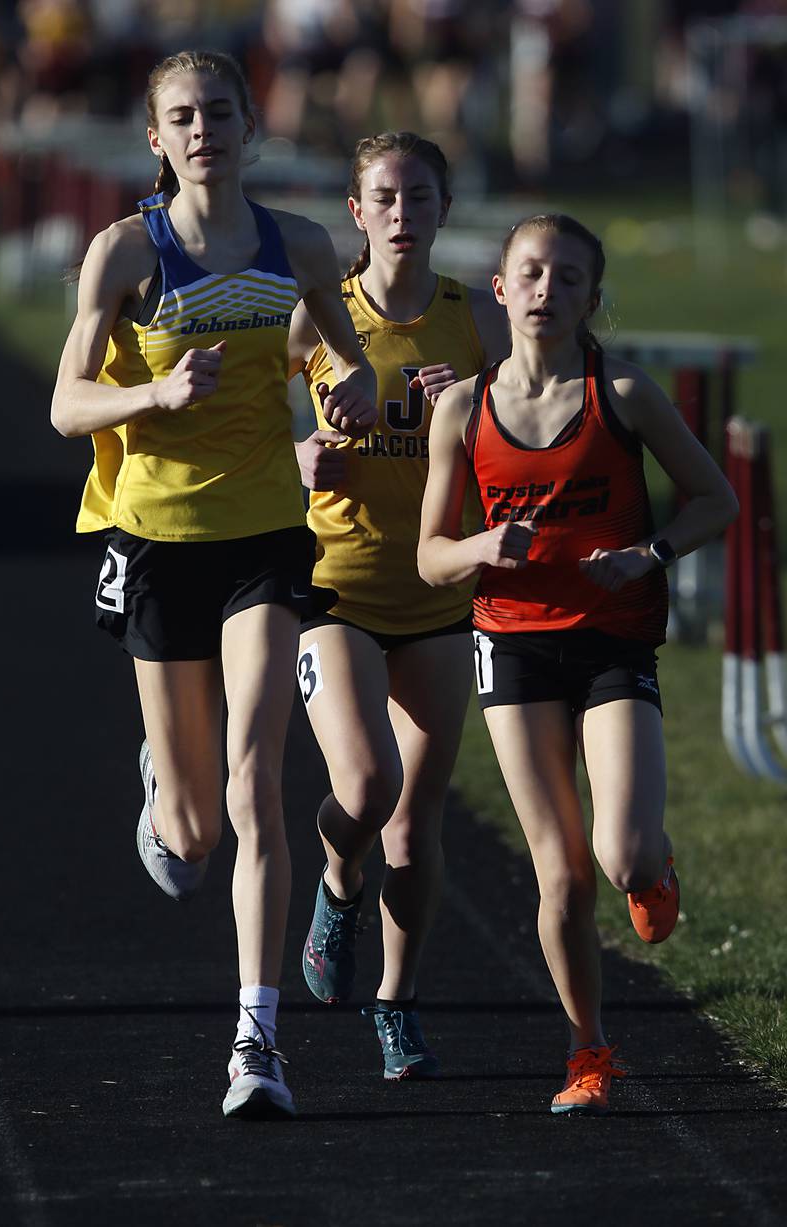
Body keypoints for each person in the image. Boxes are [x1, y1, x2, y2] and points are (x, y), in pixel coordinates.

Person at [50, 48, 377, 1121]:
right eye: (182, 117)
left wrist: (353, 395)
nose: (204, 130)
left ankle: (257, 1041)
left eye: (220, 112)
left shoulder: (302, 247)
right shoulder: (123, 252)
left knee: (255, 786)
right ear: (156, 137)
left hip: (264, 539)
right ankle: (164, 783)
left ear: (249, 125)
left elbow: (342, 361)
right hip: (154, 541)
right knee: (191, 836)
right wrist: (148, 394)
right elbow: (66, 406)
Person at [417, 213, 738, 1113]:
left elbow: (715, 499)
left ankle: (653, 869)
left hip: (611, 639)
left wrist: (651, 555)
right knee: (559, 872)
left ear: (593, 298)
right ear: (501, 289)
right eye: (530, 274)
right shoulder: (462, 407)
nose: (546, 291)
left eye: (566, 278)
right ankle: (588, 1051)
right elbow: (430, 557)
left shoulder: (624, 392)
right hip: (512, 642)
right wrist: (483, 543)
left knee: (623, 854)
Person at [287, 130, 509, 1078]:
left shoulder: (476, 323)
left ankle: (398, 1003)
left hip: (439, 591)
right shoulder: (317, 314)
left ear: (444, 210)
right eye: (384, 197)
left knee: (416, 828)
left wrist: (481, 405)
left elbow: (547, 431)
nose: (403, 215)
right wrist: (298, 454)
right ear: (356, 211)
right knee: (367, 788)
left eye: (420, 197)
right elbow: (248, 427)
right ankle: (337, 875)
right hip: (336, 582)